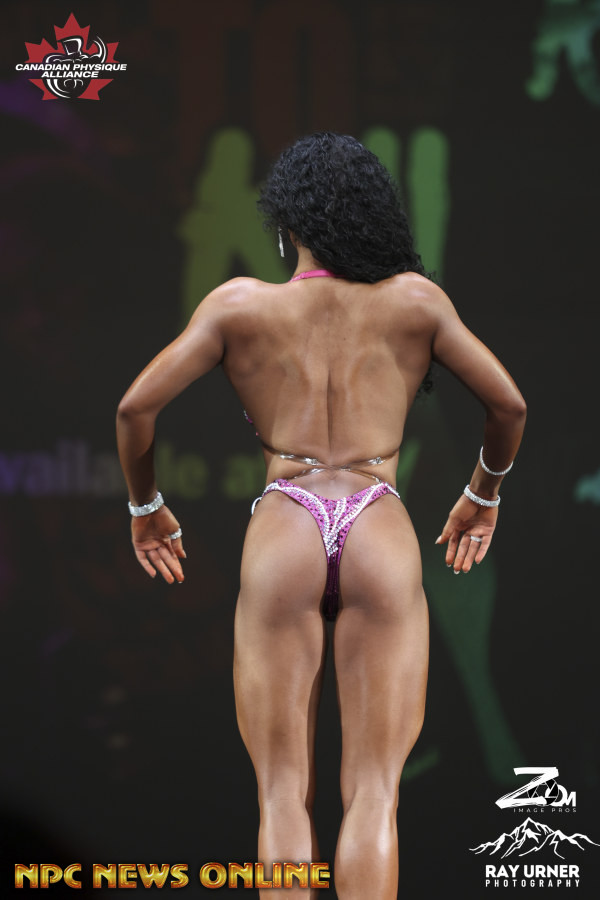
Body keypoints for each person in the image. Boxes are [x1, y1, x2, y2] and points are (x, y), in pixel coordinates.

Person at [116, 132, 526, 900]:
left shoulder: (238, 305)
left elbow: (135, 409)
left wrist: (147, 506)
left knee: (281, 793)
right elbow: (508, 406)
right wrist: (483, 493)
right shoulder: (416, 301)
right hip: (377, 520)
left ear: (286, 226)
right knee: (374, 792)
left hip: (286, 522)